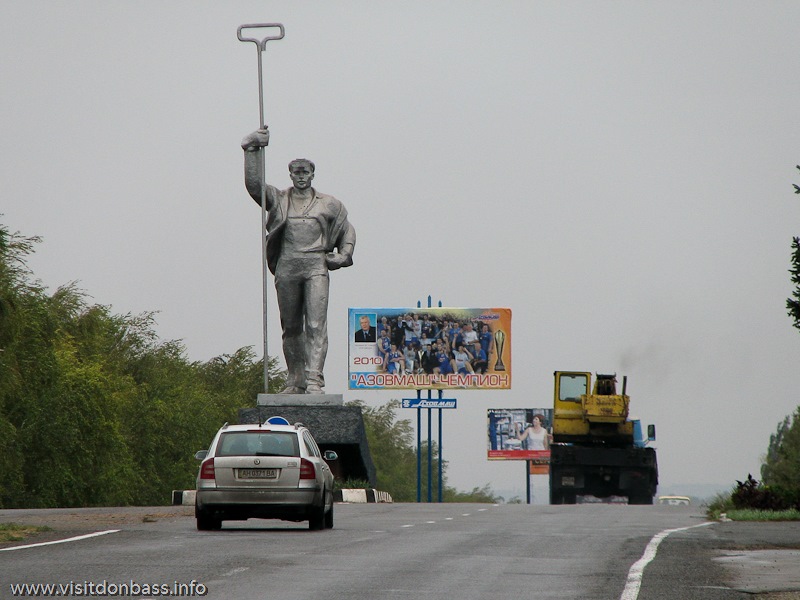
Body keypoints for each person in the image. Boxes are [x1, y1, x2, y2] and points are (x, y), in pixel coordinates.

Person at [242, 127, 355, 394]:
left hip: (316, 265)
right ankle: (296, 379)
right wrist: (251, 150)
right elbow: (254, 186)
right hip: (288, 265)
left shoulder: (329, 204)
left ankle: (314, 379)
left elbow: (346, 229)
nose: (301, 176)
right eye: (297, 172)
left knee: (316, 324)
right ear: (290, 175)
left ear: (312, 175)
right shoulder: (279, 199)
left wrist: (345, 254)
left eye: (306, 172)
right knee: (291, 326)